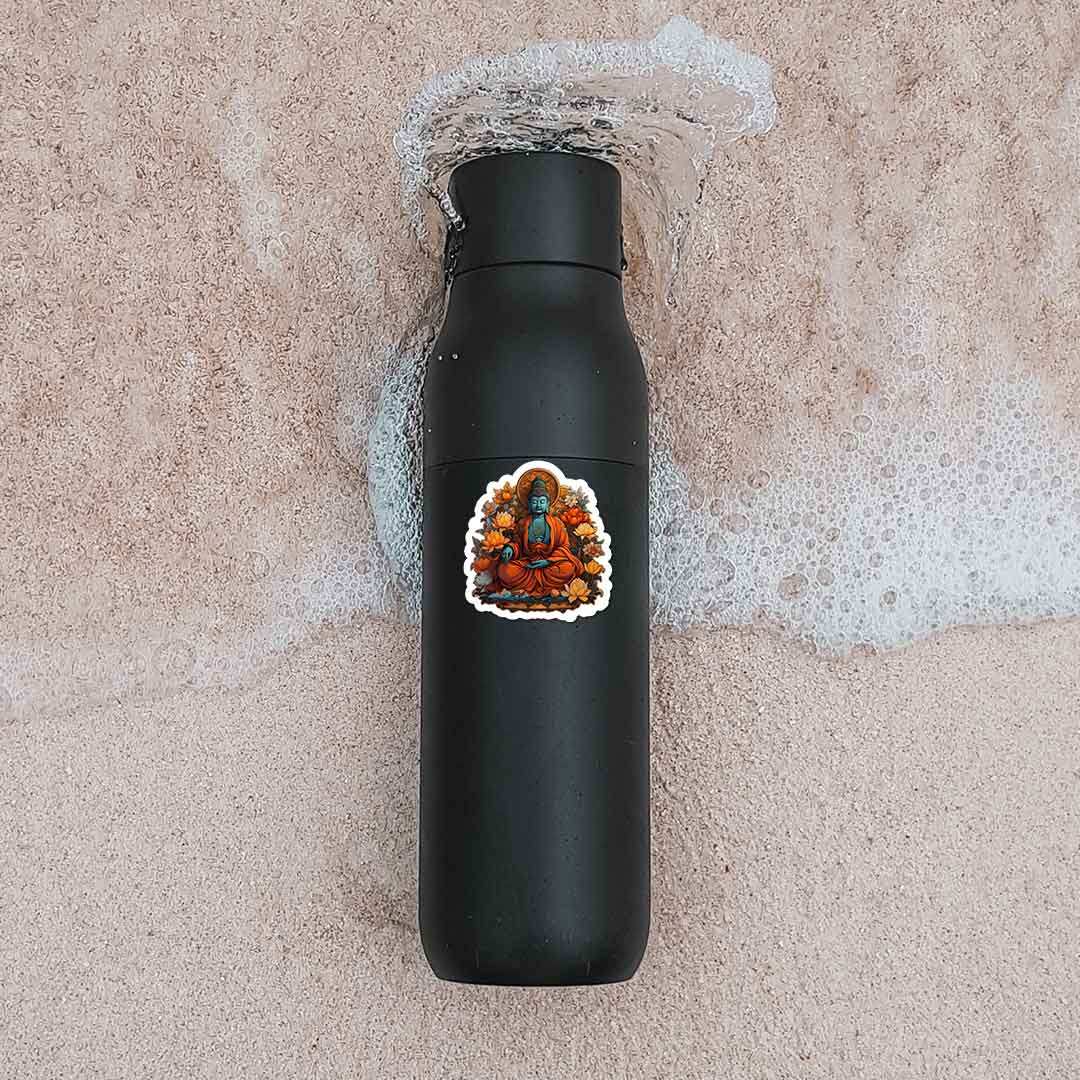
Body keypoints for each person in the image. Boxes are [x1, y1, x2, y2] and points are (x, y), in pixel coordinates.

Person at [496, 477, 583, 596]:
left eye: (542, 502)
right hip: (528, 564)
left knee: (568, 567)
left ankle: (530, 587)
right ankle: (545, 587)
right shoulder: (523, 523)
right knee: (504, 570)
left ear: (547, 504)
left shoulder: (556, 523)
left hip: (550, 565)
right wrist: (510, 548)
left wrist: (548, 561)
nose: (538, 505)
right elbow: (518, 544)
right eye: (534, 502)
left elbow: (564, 546)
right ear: (529, 504)